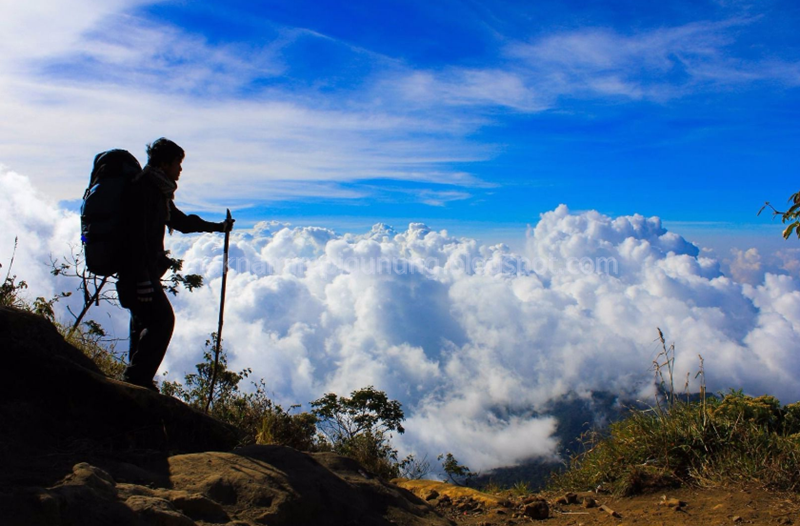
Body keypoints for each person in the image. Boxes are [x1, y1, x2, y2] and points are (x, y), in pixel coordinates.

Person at [117, 138, 233, 391]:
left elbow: (180, 221)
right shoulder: (144, 191)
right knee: (162, 322)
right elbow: (134, 237)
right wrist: (143, 278)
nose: (180, 170)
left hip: (139, 274)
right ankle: (136, 382)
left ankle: (133, 380)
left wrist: (217, 228)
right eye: (178, 164)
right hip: (139, 275)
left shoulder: (156, 192)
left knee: (143, 324)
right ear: (165, 163)